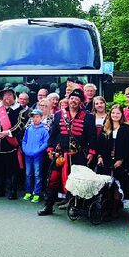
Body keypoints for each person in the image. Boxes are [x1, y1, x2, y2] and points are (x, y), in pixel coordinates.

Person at [38, 88, 97, 216]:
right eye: (71, 98)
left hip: (77, 155)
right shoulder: (59, 115)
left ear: (81, 102)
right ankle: (48, 206)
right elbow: (53, 134)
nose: (73, 101)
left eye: (76, 99)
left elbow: (92, 136)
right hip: (60, 154)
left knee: (76, 181)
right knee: (52, 179)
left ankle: (74, 206)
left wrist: (91, 152)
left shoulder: (88, 117)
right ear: (68, 100)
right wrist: (49, 148)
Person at [0, 88, 27, 199]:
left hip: (11, 144)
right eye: (5, 95)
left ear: (14, 96)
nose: (7, 97)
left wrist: (7, 132)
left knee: (12, 170)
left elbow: (21, 125)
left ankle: (12, 191)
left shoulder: (20, 109)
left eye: (10, 95)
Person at [95, 105, 129, 206]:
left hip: (120, 159)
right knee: (107, 183)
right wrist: (99, 156)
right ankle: (107, 205)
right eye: (113, 113)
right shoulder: (106, 127)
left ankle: (116, 206)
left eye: (118, 113)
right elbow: (100, 144)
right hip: (106, 159)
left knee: (117, 184)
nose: (115, 115)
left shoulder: (126, 128)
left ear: (121, 115)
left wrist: (121, 160)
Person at [21, 109, 49, 203]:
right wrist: (25, 149)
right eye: (33, 117)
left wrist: (38, 151)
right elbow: (24, 140)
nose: (35, 119)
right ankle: (28, 192)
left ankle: (36, 193)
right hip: (28, 155)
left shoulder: (44, 130)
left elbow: (46, 143)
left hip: (38, 156)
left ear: (41, 118)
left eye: (37, 117)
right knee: (28, 174)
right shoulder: (29, 129)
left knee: (37, 175)